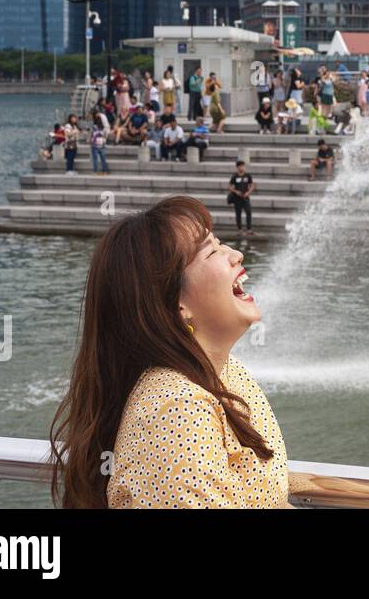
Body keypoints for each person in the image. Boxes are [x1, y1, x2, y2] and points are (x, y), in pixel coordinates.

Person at [49, 197, 290, 508]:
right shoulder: (176, 408)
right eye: (213, 251)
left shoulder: (228, 372)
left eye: (220, 243)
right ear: (177, 304)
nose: (236, 254)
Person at [228, 161, 255, 237]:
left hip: (246, 198)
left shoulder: (248, 176)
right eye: (240, 166)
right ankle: (240, 229)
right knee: (238, 214)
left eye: (243, 166)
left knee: (248, 212)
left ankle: (249, 229)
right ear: (237, 167)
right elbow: (229, 186)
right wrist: (236, 192)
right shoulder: (235, 176)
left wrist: (248, 192)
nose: (242, 168)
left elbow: (252, 185)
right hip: (237, 198)